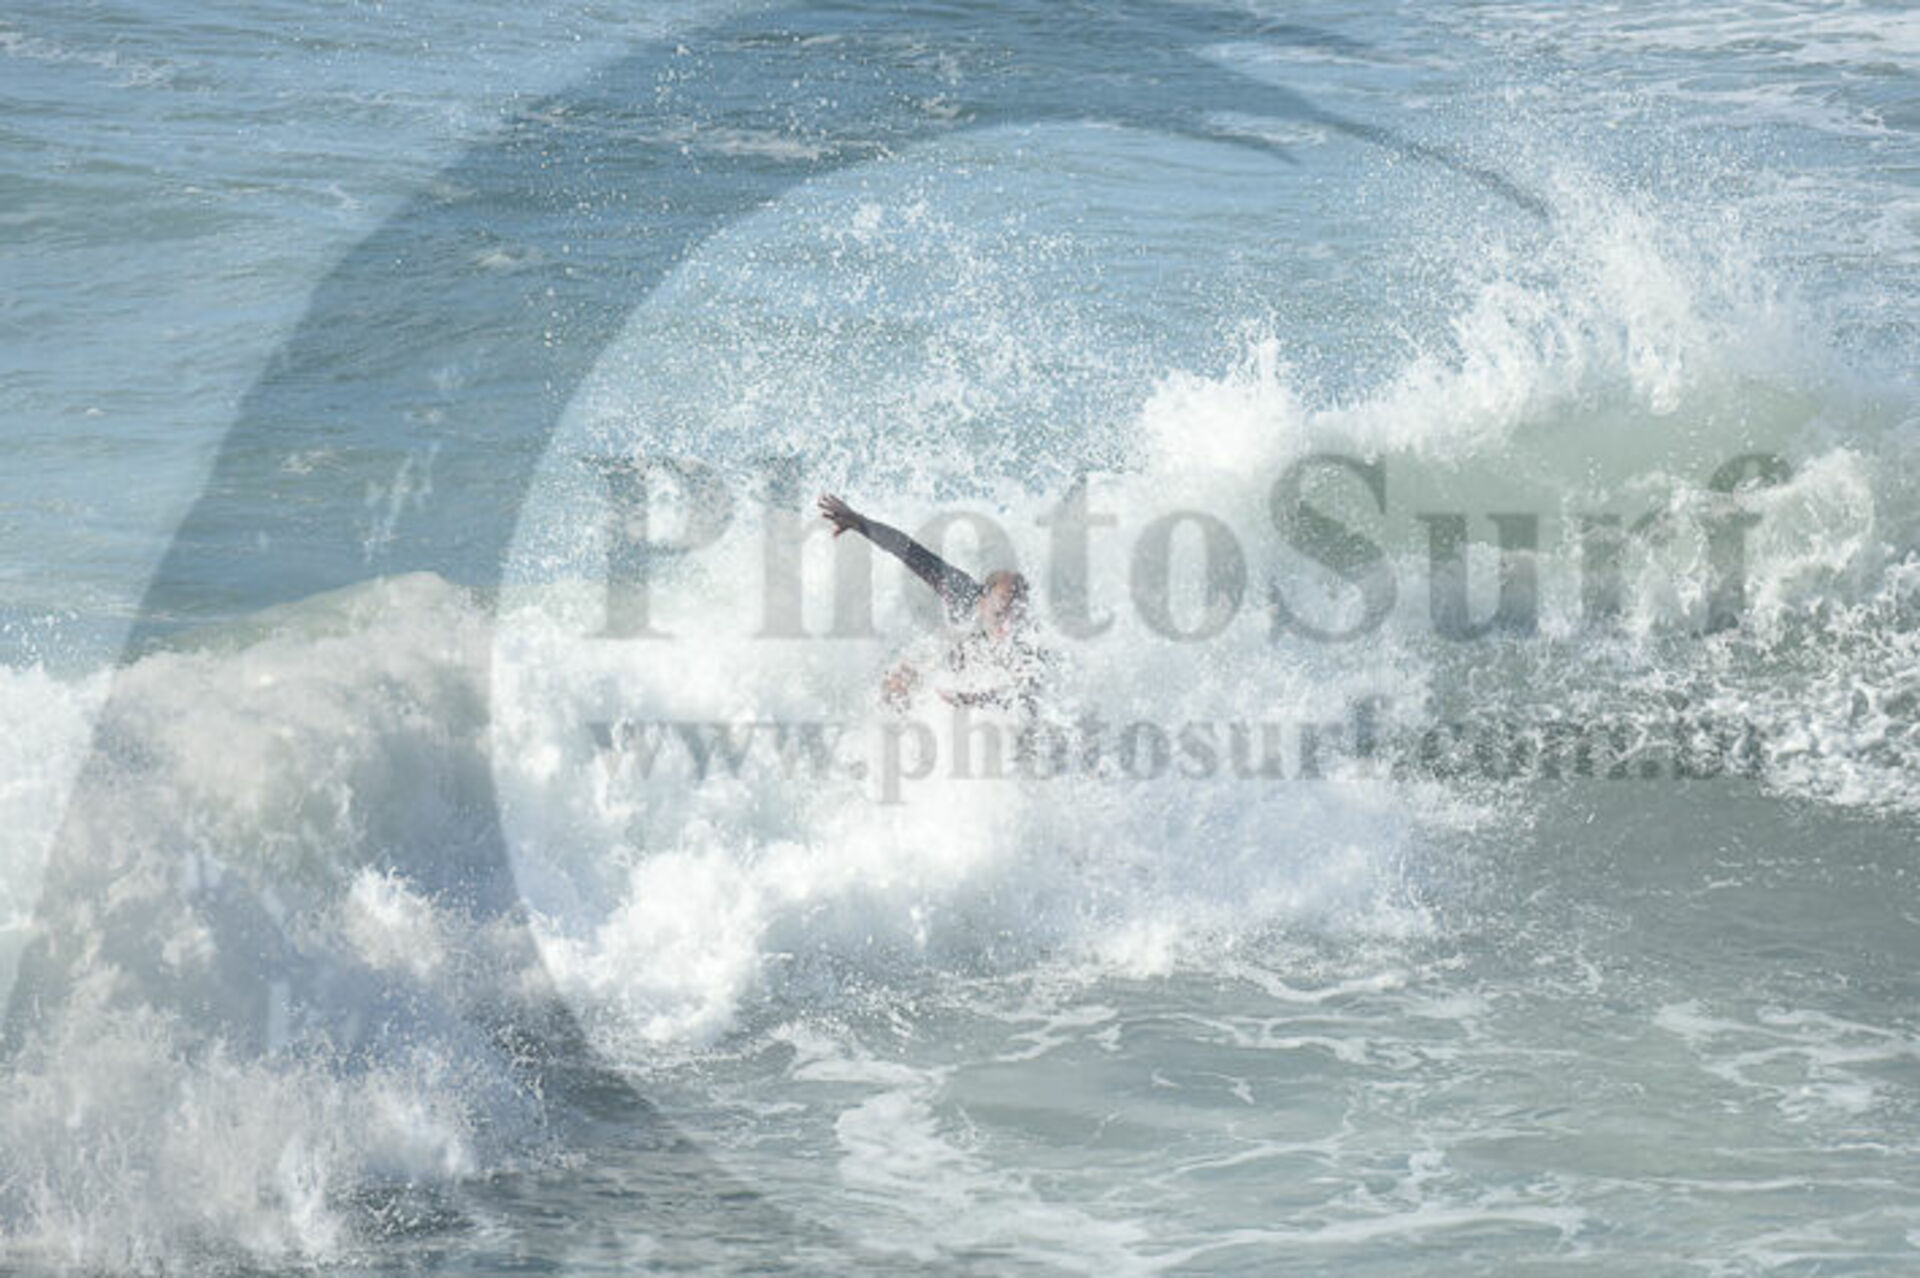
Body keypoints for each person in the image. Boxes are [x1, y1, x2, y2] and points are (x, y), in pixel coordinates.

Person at [818, 494, 1047, 713]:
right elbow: (909, 551)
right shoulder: (965, 594)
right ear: (983, 602)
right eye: (999, 615)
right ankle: (880, 729)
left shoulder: (1028, 638)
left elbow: (1027, 694)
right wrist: (860, 523)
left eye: (1015, 616)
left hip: (995, 686)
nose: (1006, 627)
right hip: (955, 654)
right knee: (900, 678)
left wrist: (975, 700)